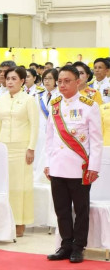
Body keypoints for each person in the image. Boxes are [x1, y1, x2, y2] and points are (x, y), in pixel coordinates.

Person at [45, 65, 103, 263]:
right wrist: (48, 163)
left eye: (66, 81)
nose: (62, 85)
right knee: (61, 209)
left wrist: (94, 167)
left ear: (78, 81)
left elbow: (96, 140)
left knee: (81, 210)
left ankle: (79, 247)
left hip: (80, 168)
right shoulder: (55, 104)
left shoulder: (89, 105)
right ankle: (65, 245)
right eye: (59, 81)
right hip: (58, 166)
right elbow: (49, 138)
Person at [0, 66, 39, 237]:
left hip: (22, 149)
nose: (10, 82)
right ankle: (5, 220)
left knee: (20, 187)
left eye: (14, 78)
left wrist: (31, 148)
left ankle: (20, 222)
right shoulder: (0, 99)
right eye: (8, 78)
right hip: (4, 148)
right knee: (6, 186)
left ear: (22, 81)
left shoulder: (29, 100)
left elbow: (35, 125)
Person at [33, 69, 60, 180]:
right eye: (45, 78)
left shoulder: (61, 95)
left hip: (55, 132)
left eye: (50, 78)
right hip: (40, 131)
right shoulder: (37, 96)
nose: (47, 81)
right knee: (39, 156)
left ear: (56, 80)